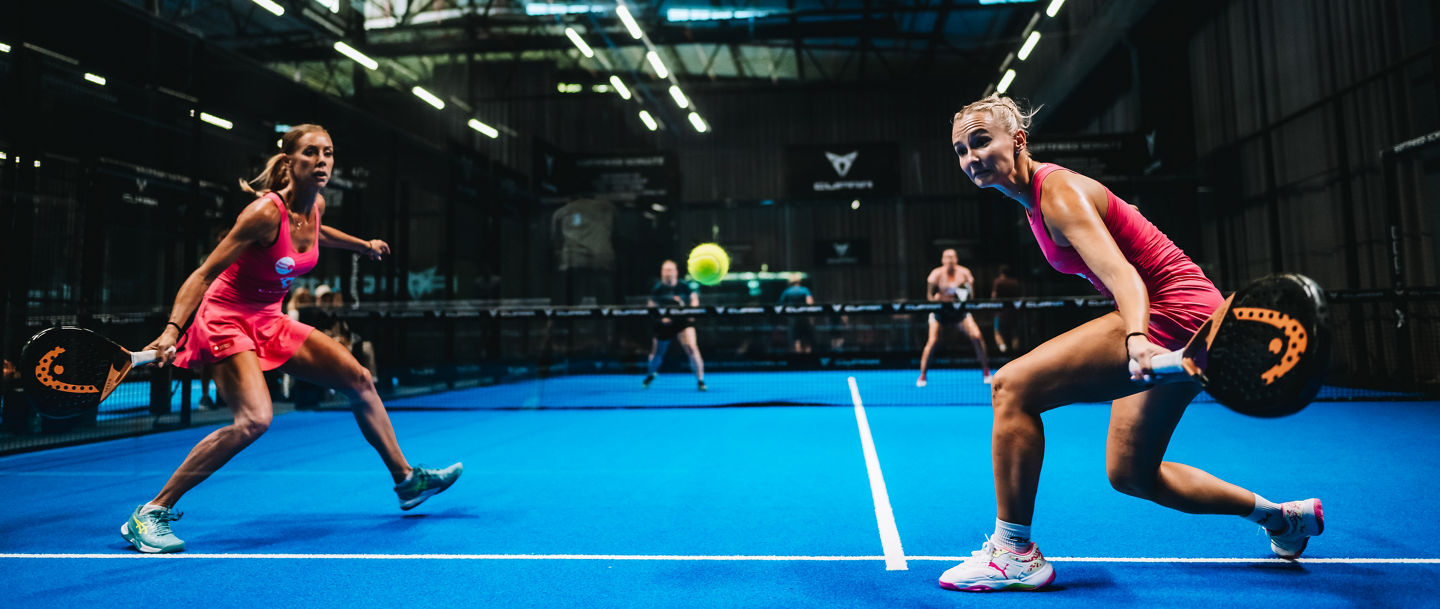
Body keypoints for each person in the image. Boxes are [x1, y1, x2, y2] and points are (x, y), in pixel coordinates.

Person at [935, 95, 1322, 592]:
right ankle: (1281, 517)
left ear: (1018, 139)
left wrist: (1137, 337)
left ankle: (1014, 552)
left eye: (981, 141)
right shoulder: (1042, 197)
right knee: (1132, 473)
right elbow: (1126, 220)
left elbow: (1124, 276)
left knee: (1012, 386)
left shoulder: (1056, 193)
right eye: (961, 150)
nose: (970, 158)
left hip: (1170, 311)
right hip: (1191, 315)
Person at [127, 124, 462, 554]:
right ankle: (151, 511)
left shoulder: (315, 205)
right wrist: (172, 330)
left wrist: (361, 246)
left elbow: (317, 233)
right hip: (226, 318)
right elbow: (203, 273)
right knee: (254, 420)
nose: (322, 160)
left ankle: (407, 480)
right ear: (289, 162)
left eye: (328, 152)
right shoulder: (264, 213)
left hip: (269, 316)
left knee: (359, 378)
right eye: (311, 153)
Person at [916, 249, 992, 387]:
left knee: (976, 336)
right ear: (942, 260)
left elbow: (971, 296)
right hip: (940, 312)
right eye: (947, 257)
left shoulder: (965, 273)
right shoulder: (936, 274)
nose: (950, 259)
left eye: (952, 257)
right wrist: (938, 301)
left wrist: (959, 301)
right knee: (932, 341)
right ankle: (922, 375)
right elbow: (929, 296)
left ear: (956, 259)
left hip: (959, 313)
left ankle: (986, 372)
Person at [643, 260, 706, 391]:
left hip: (683, 322)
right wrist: (661, 318)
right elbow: (651, 303)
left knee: (691, 347)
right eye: (665, 270)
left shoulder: (683, 286)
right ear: (661, 272)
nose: (668, 273)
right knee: (657, 353)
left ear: (676, 272)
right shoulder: (658, 288)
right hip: (665, 324)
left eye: (670, 270)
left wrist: (692, 311)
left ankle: (700, 381)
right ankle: (650, 375)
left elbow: (694, 298)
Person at [778, 274, 815, 353]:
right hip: (804, 317)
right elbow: (810, 303)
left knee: (796, 338)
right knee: (806, 338)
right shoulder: (805, 290)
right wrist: (811, 317)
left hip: (793, 318)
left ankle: (798, 357)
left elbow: (780, 305)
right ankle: (808, 358)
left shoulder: (787, 291)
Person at [990, 264, 1023, 353]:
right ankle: (1015, 354)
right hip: (1013, 312)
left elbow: (994, 297)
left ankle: (1003, 350)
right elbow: (1019, 297)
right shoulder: (1015, 282)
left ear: (1000, 273)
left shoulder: (998, 282)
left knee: (997, 332)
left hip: (1000, 313)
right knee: (1015, 334)